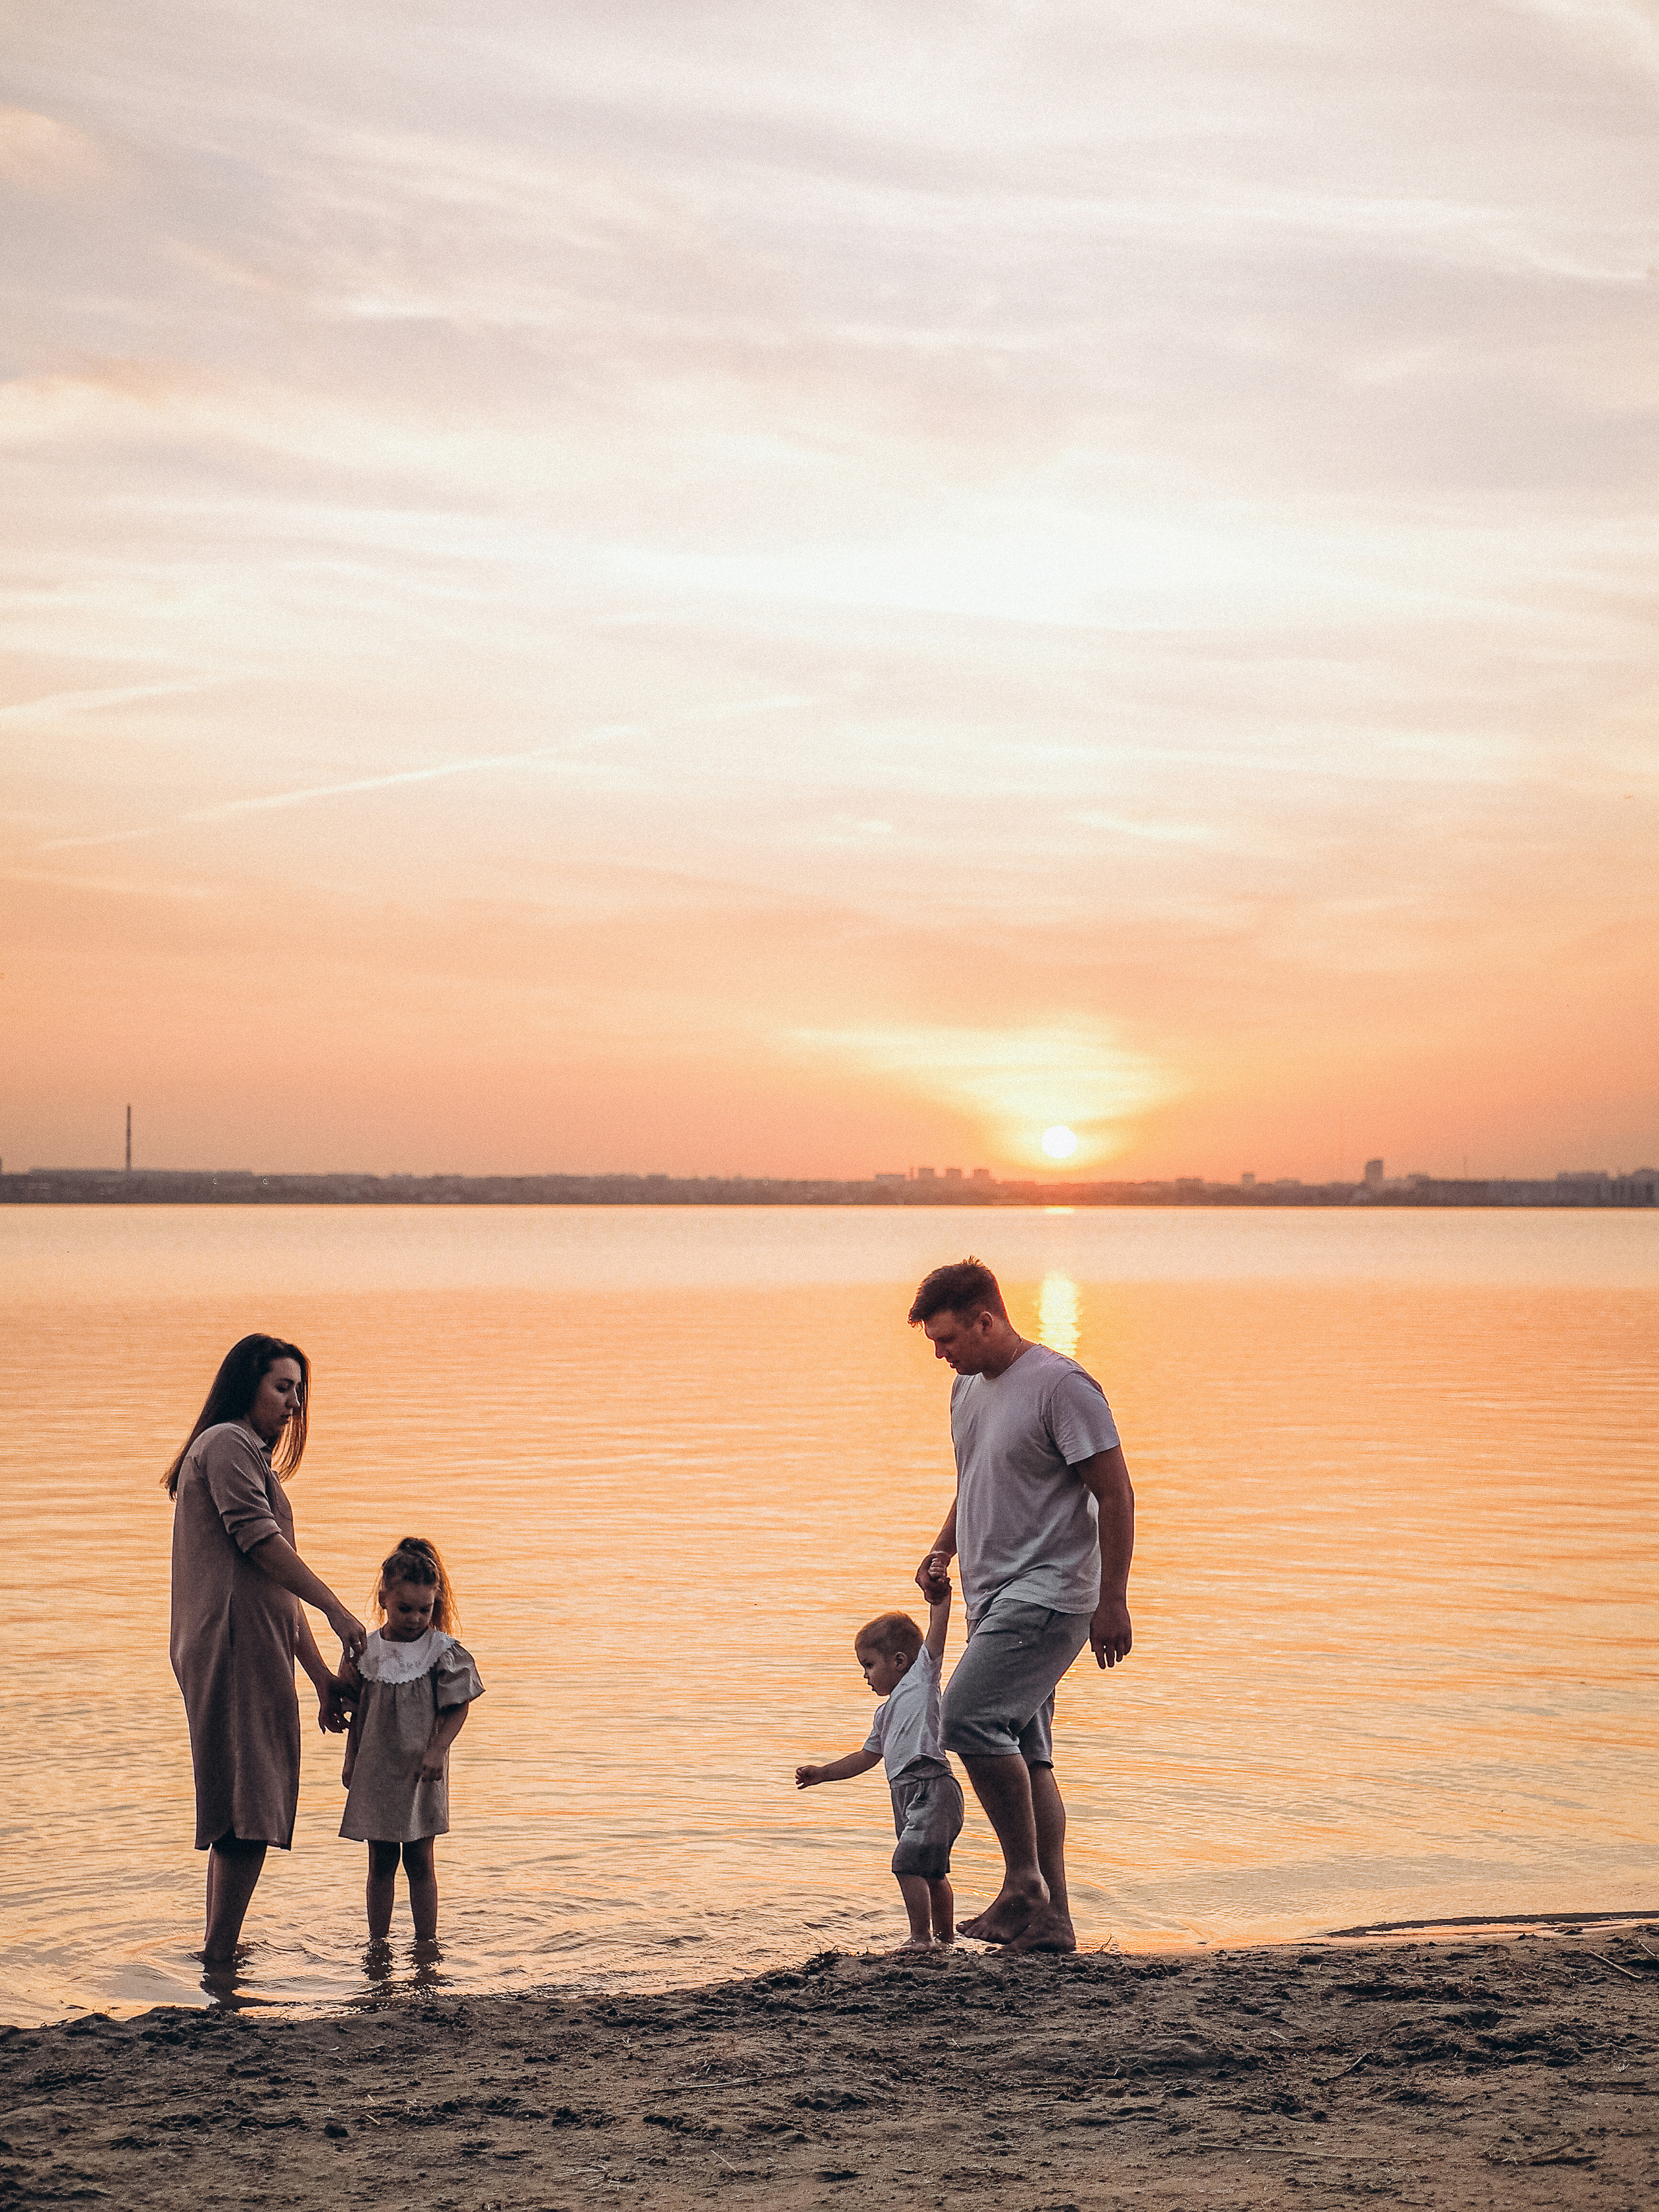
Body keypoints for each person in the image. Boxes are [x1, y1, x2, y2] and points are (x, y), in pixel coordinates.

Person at [910, 1257, 1133, 1953]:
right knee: (1027, 1751)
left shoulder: (1061, 1386)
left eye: (948, 1339)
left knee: (967, 1716)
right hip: (992, 1593)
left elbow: (1115, 1491)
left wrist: (1112, 1598)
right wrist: (943, 1547)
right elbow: (974, 1474)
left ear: (986, 1318)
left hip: (1050, 1592)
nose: (941, 1354)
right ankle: (1052, 1921)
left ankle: (1022, 1882)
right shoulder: (967, 1389)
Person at [165, 1334, 367, 1965]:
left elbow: (275, 1584)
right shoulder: (225, 1443)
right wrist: (336, 1608)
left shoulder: (251, 1457)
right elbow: (260, 1545)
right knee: (246, 1804)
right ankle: (219, 1957)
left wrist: (318, 1676)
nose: (294, 1402)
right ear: (245, 1383)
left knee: (248, 1798)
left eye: (299, 1390)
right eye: (283, 1386)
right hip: (228, 1644)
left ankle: (217, 1953)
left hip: (257, 1643)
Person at [795, 1585, 963, 1951]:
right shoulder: (884, 1714)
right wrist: (823, 1772)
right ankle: (945, 1941)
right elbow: (866, 1757)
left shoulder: (921, 1680)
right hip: (904, 1793)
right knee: (931, 1870)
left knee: (908, 1865)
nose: (866, 1676)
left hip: (932, 1785)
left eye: (869, 1665)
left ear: (900, 1661)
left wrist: (941, 1601)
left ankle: (924, 1939)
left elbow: (936, 1636)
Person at [340, 1537, 485, 1943]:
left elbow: (459, 1705)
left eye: (425, 1609)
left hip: (423, 1770)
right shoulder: (364, 1651)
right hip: (377, 1769)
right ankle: (378, 1945)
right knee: (381, 1861)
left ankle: (426, 1945)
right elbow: (356, 1712)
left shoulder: (441, 1651)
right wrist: (350, 1759)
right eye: (405, 1609)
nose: (416, 1618)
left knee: (420, 1860)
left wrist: (439, 1749)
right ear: (384, 1597)